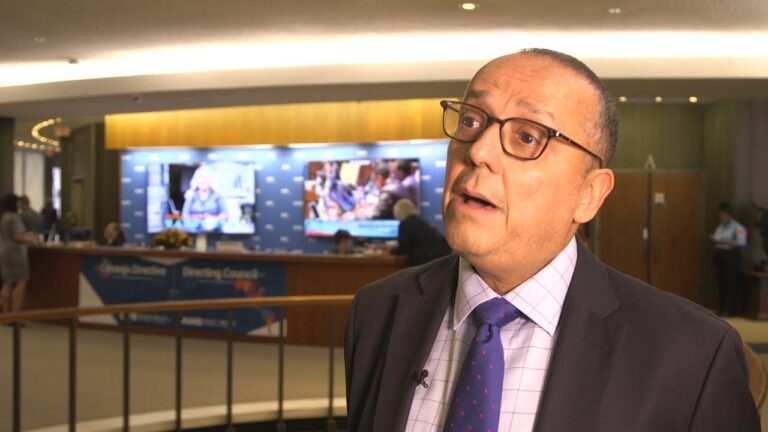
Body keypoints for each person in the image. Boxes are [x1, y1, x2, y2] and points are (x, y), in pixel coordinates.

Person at [344, 49, 759, 431]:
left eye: (527, 136)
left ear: (589, 194)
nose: (479, 151)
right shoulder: (378, 310)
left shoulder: (694, 353)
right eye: (470, 121)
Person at [1, 193, 38, 313]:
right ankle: (15, 314)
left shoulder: (3, 217)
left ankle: (5, 314)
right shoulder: (14, 217)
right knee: (21, 282)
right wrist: (30, 239)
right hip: (16, 253)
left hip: (4, 252)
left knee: (7, 283)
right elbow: (16, 236)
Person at [711, 202, 748, 316]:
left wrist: (723, 241)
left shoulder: (739, 228)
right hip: (720, 256)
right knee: (721, 283)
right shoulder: (720, 227)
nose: (722, 218)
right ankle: (721, 309)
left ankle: (731, 310)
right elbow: (716, 238)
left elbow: (741, 243)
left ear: (730, 216)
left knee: (730, 284)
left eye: (724, 216)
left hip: (731, 257)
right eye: (720, 216)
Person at [390, 199, 451, 266]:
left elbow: (403, 250)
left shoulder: (405, 224)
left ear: (398, 212)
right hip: (437, 259)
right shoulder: (420, 220)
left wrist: (391, 251)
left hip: (423, 262)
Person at [181, 165, 226, 232]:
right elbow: (185, 215)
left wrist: (214, 221)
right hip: (193, 231)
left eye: (205, 178)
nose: (203, 181)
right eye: (200, 178)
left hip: (214, 231)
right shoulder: (191, 195)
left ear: (211, 180)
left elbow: (224, 214)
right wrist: (191, 228)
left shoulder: (218, 196)